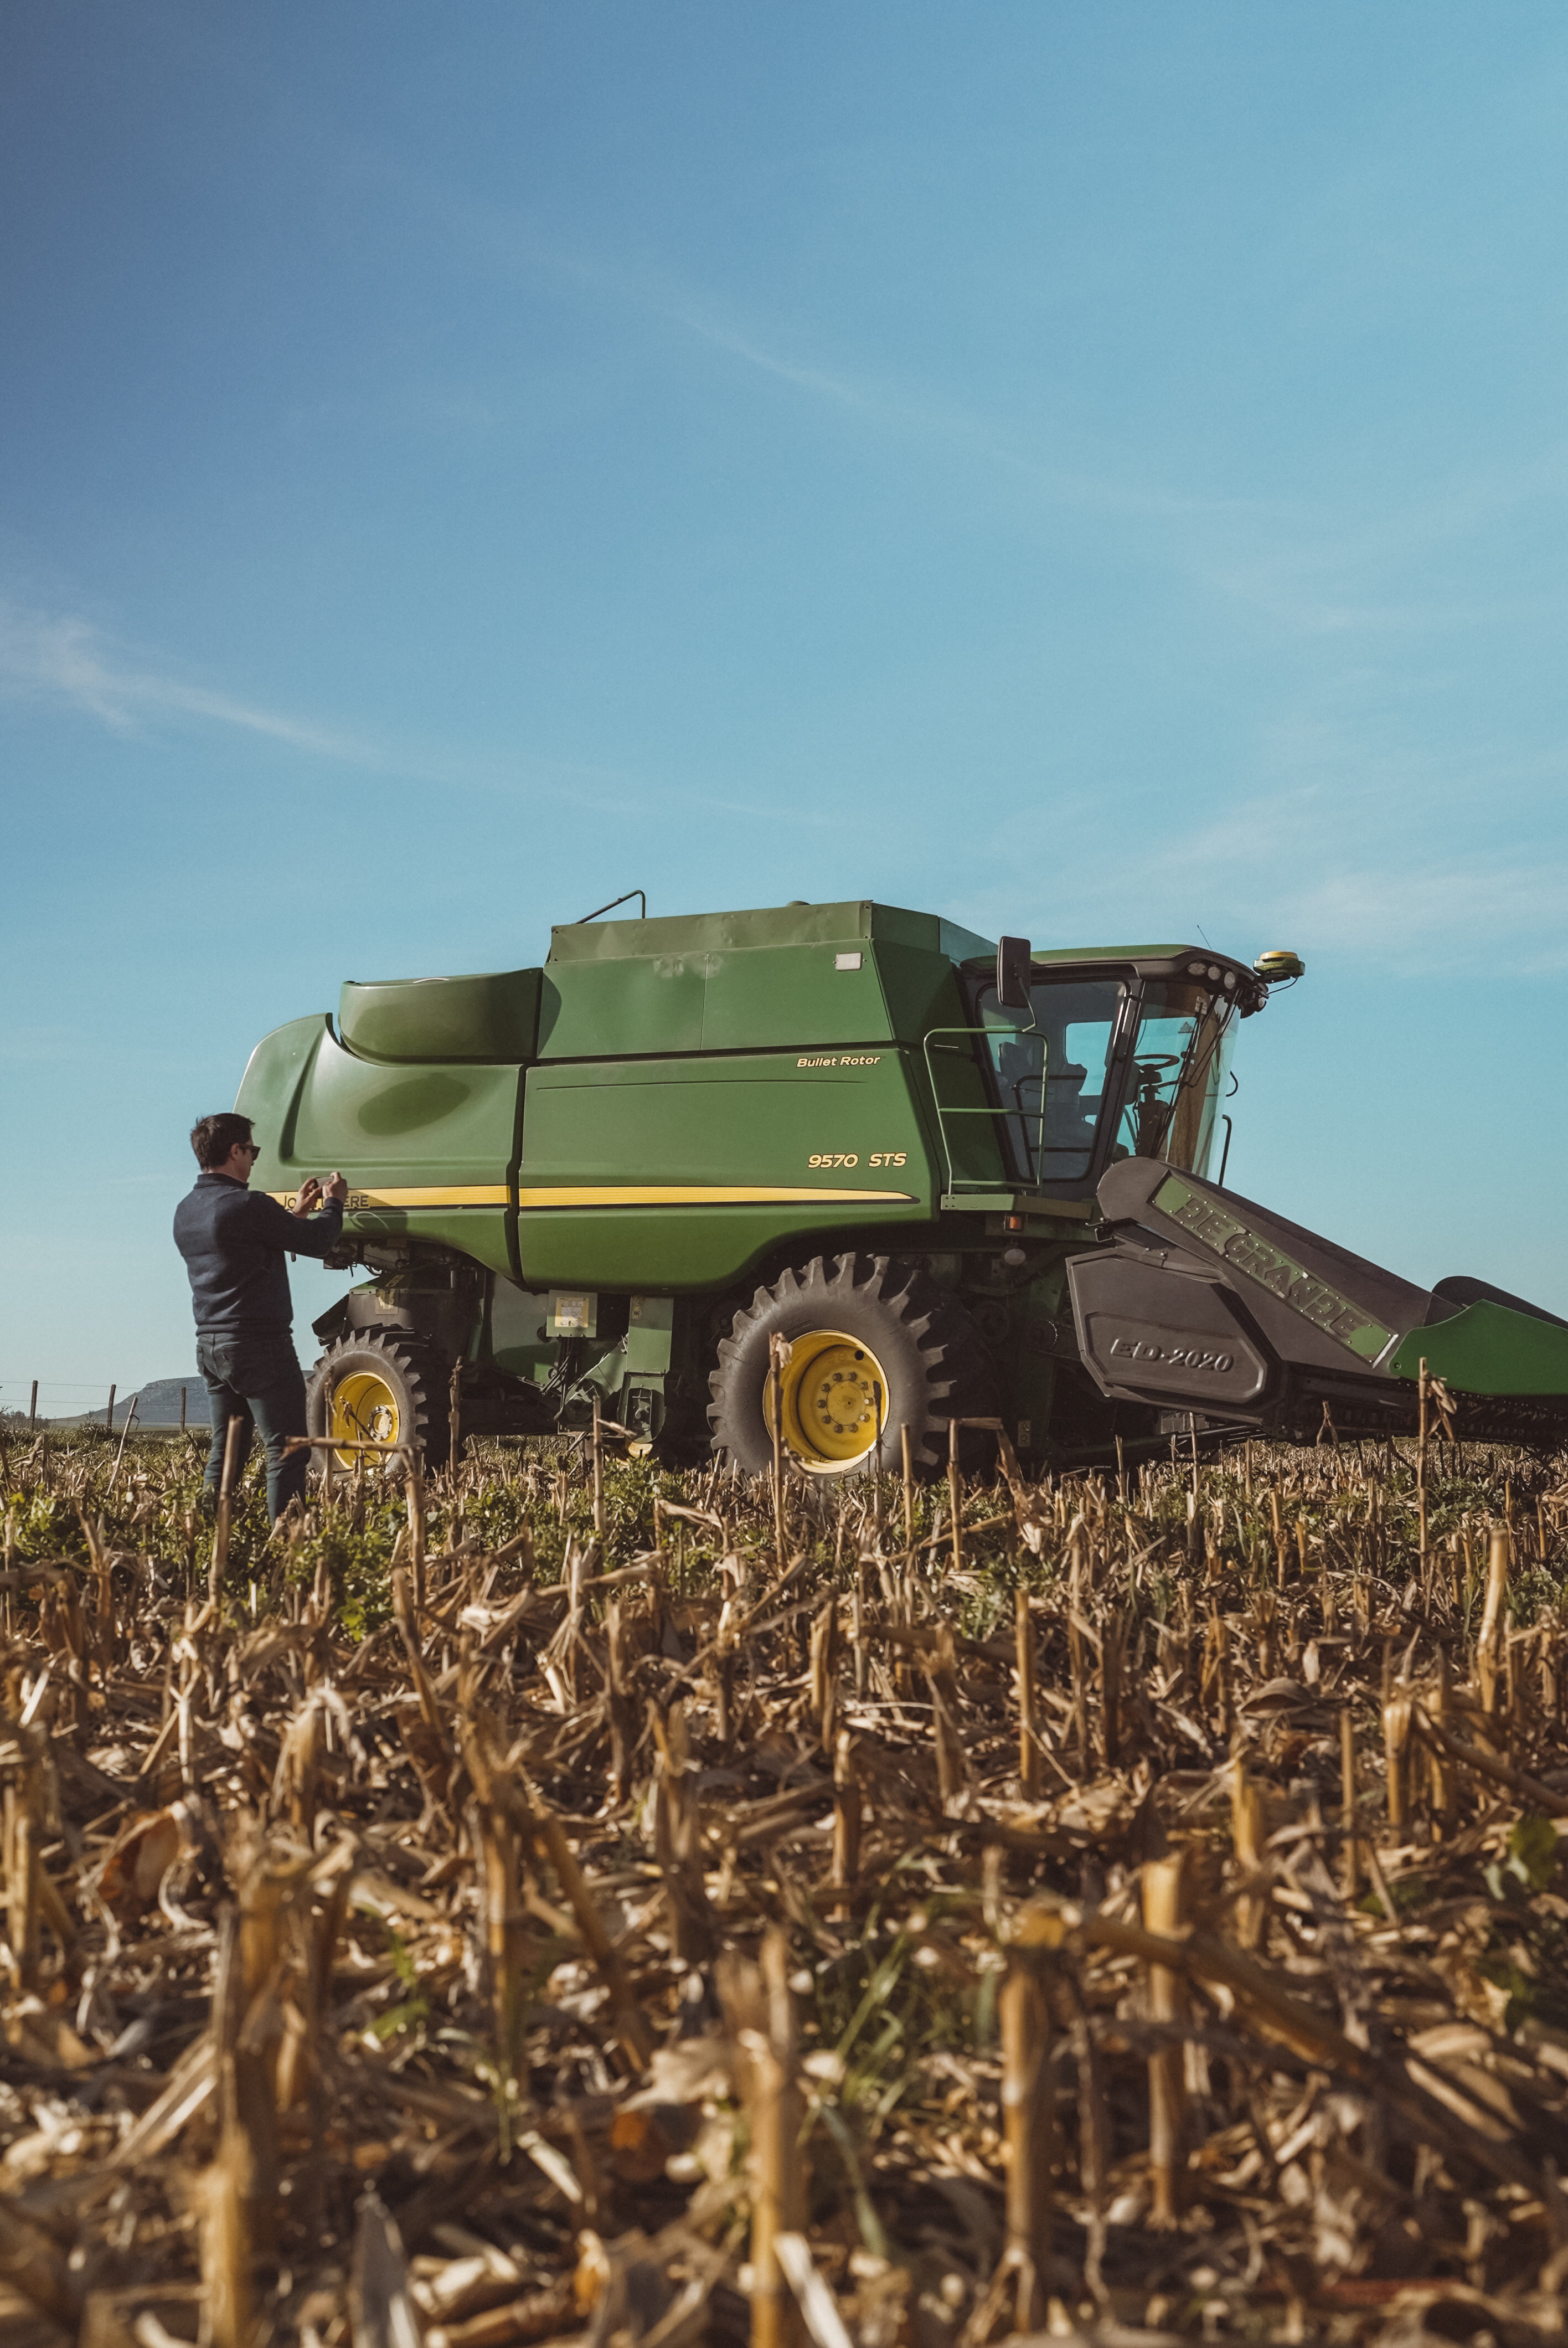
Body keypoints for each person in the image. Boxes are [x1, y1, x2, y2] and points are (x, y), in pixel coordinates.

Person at [173, 1112, 348, 1524]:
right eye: (252, 1150)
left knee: (227, 1451)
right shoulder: (249, 1205)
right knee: (288, 1448)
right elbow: (321, 1242)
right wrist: (335, 1201)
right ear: (235, 1151)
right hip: (259, 1346)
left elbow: (245, 1248)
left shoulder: (188, 1210)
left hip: (212, 1347)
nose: (253, 1158)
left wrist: (295, 1216)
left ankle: (206, 1536)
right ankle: (287, 1549)